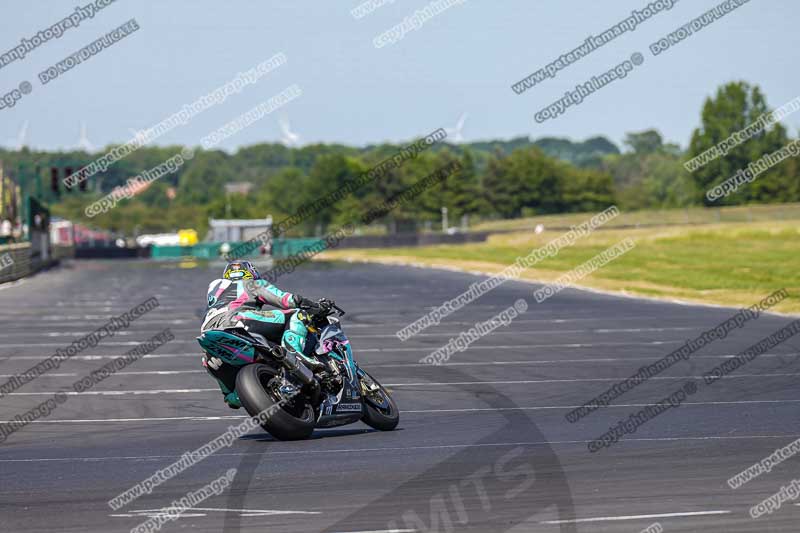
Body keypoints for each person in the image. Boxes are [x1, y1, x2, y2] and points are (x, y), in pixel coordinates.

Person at [200, 260, 327, 409]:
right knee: (297, 314)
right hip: (238, 321)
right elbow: (286, 300)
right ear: (251, 273)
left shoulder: (214, 288)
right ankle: (295, 353)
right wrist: (311, 305)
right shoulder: (252, 283)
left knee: (228, 393)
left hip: (208, 336)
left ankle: (233, 393)